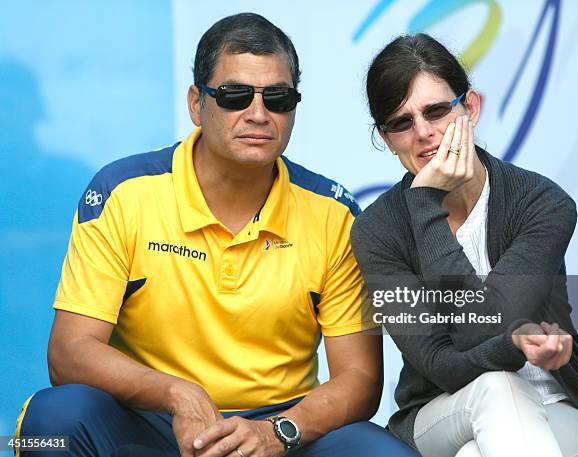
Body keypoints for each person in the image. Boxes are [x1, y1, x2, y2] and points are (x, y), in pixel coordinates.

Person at [14, 13, 415, 457]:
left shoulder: (332, 212)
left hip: (283, 424)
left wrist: (277, 431)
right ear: (195, 103)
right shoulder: (123, 192)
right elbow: (69, 352)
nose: (258, 114)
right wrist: (176, 394)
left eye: (278, 98)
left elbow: (359, 379)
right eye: (235, 95)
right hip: (153, 418)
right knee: (50, 423)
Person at [350, 33, 578, 457]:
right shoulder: (377, 230)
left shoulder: (541, 203)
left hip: (557, 404)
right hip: (439, 410)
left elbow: (481, 326)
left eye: (436, 111)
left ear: (470, 108)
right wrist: (424, 202)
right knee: (499, 387)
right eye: (402, 122)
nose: (423, 133)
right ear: (387, 137)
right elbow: (442, 361)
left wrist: (423, 202)